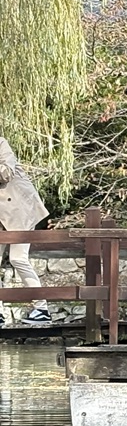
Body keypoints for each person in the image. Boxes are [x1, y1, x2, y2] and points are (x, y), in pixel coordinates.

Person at [0, 137, 51, 325]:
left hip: (19, 210)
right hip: (2, 214)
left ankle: (41, 308)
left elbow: (6, 172)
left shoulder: (1, 143)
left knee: (18, 258)